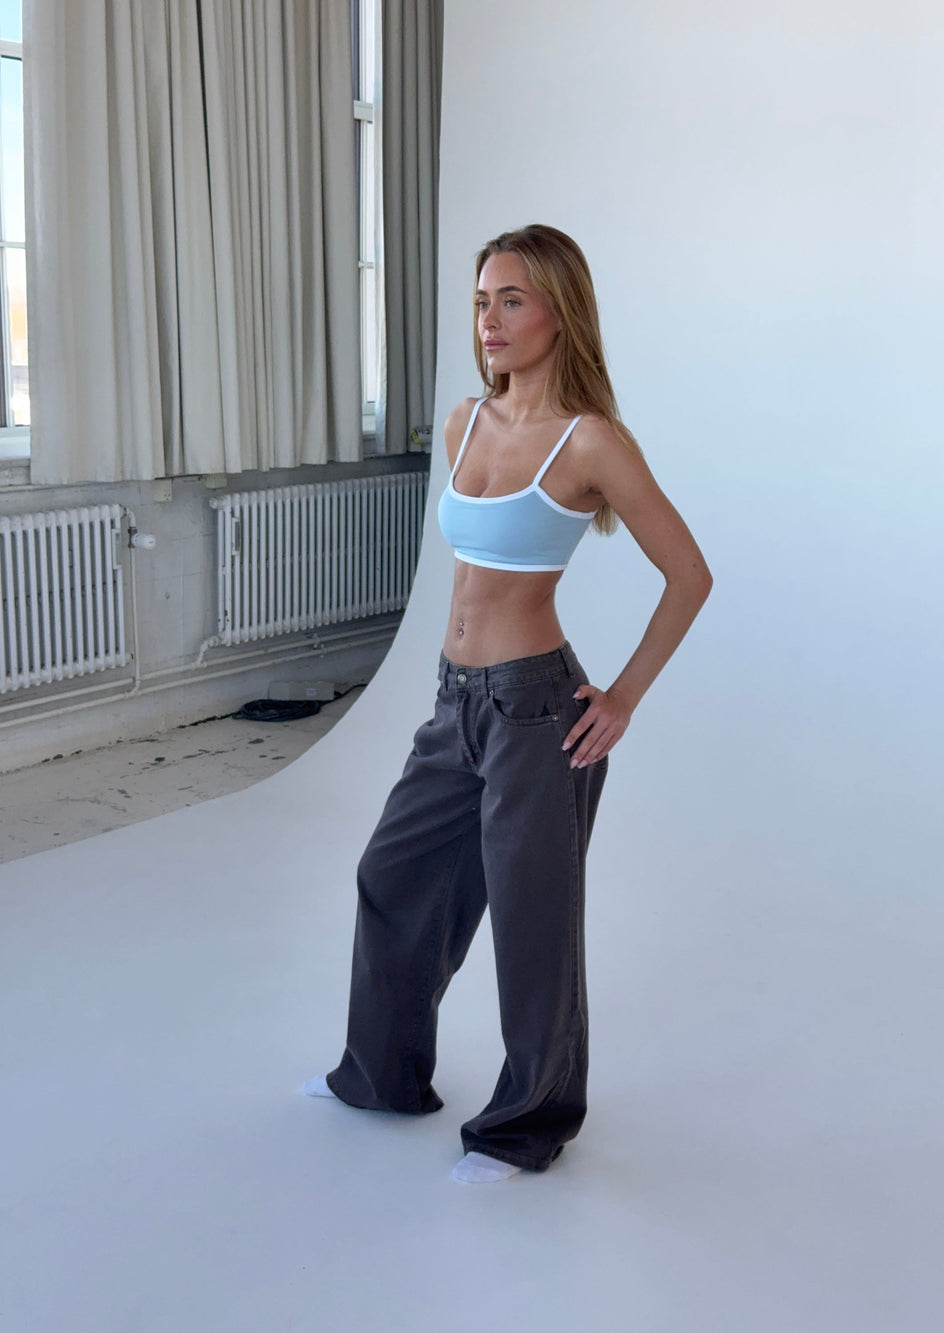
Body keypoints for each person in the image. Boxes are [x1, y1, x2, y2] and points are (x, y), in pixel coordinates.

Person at [303, 224, 713, 1183]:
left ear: (559, 311)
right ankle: (380, 1073)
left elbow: (689, 575)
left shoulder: (591, 440)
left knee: (533, 926)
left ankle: (528, 1124)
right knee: (392, 876)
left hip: (536, 709)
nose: (489, 319)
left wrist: (623, 697)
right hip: (455, 703)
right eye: (483, 300)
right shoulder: (464, 422)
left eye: (512, 300)